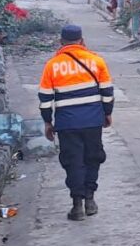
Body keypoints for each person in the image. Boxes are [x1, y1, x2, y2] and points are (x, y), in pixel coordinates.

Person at [38, 25, 115, 221]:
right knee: (93, 158)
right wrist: (107, 114)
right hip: (92, 121)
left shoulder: (52, 65)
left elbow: (45, 99)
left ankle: (77, 206)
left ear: (61, 42)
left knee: (73, 162)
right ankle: (90, 199)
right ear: (81, 40)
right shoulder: (97, 61)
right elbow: (107, 92)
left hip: (67, 123)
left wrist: (48, 122)